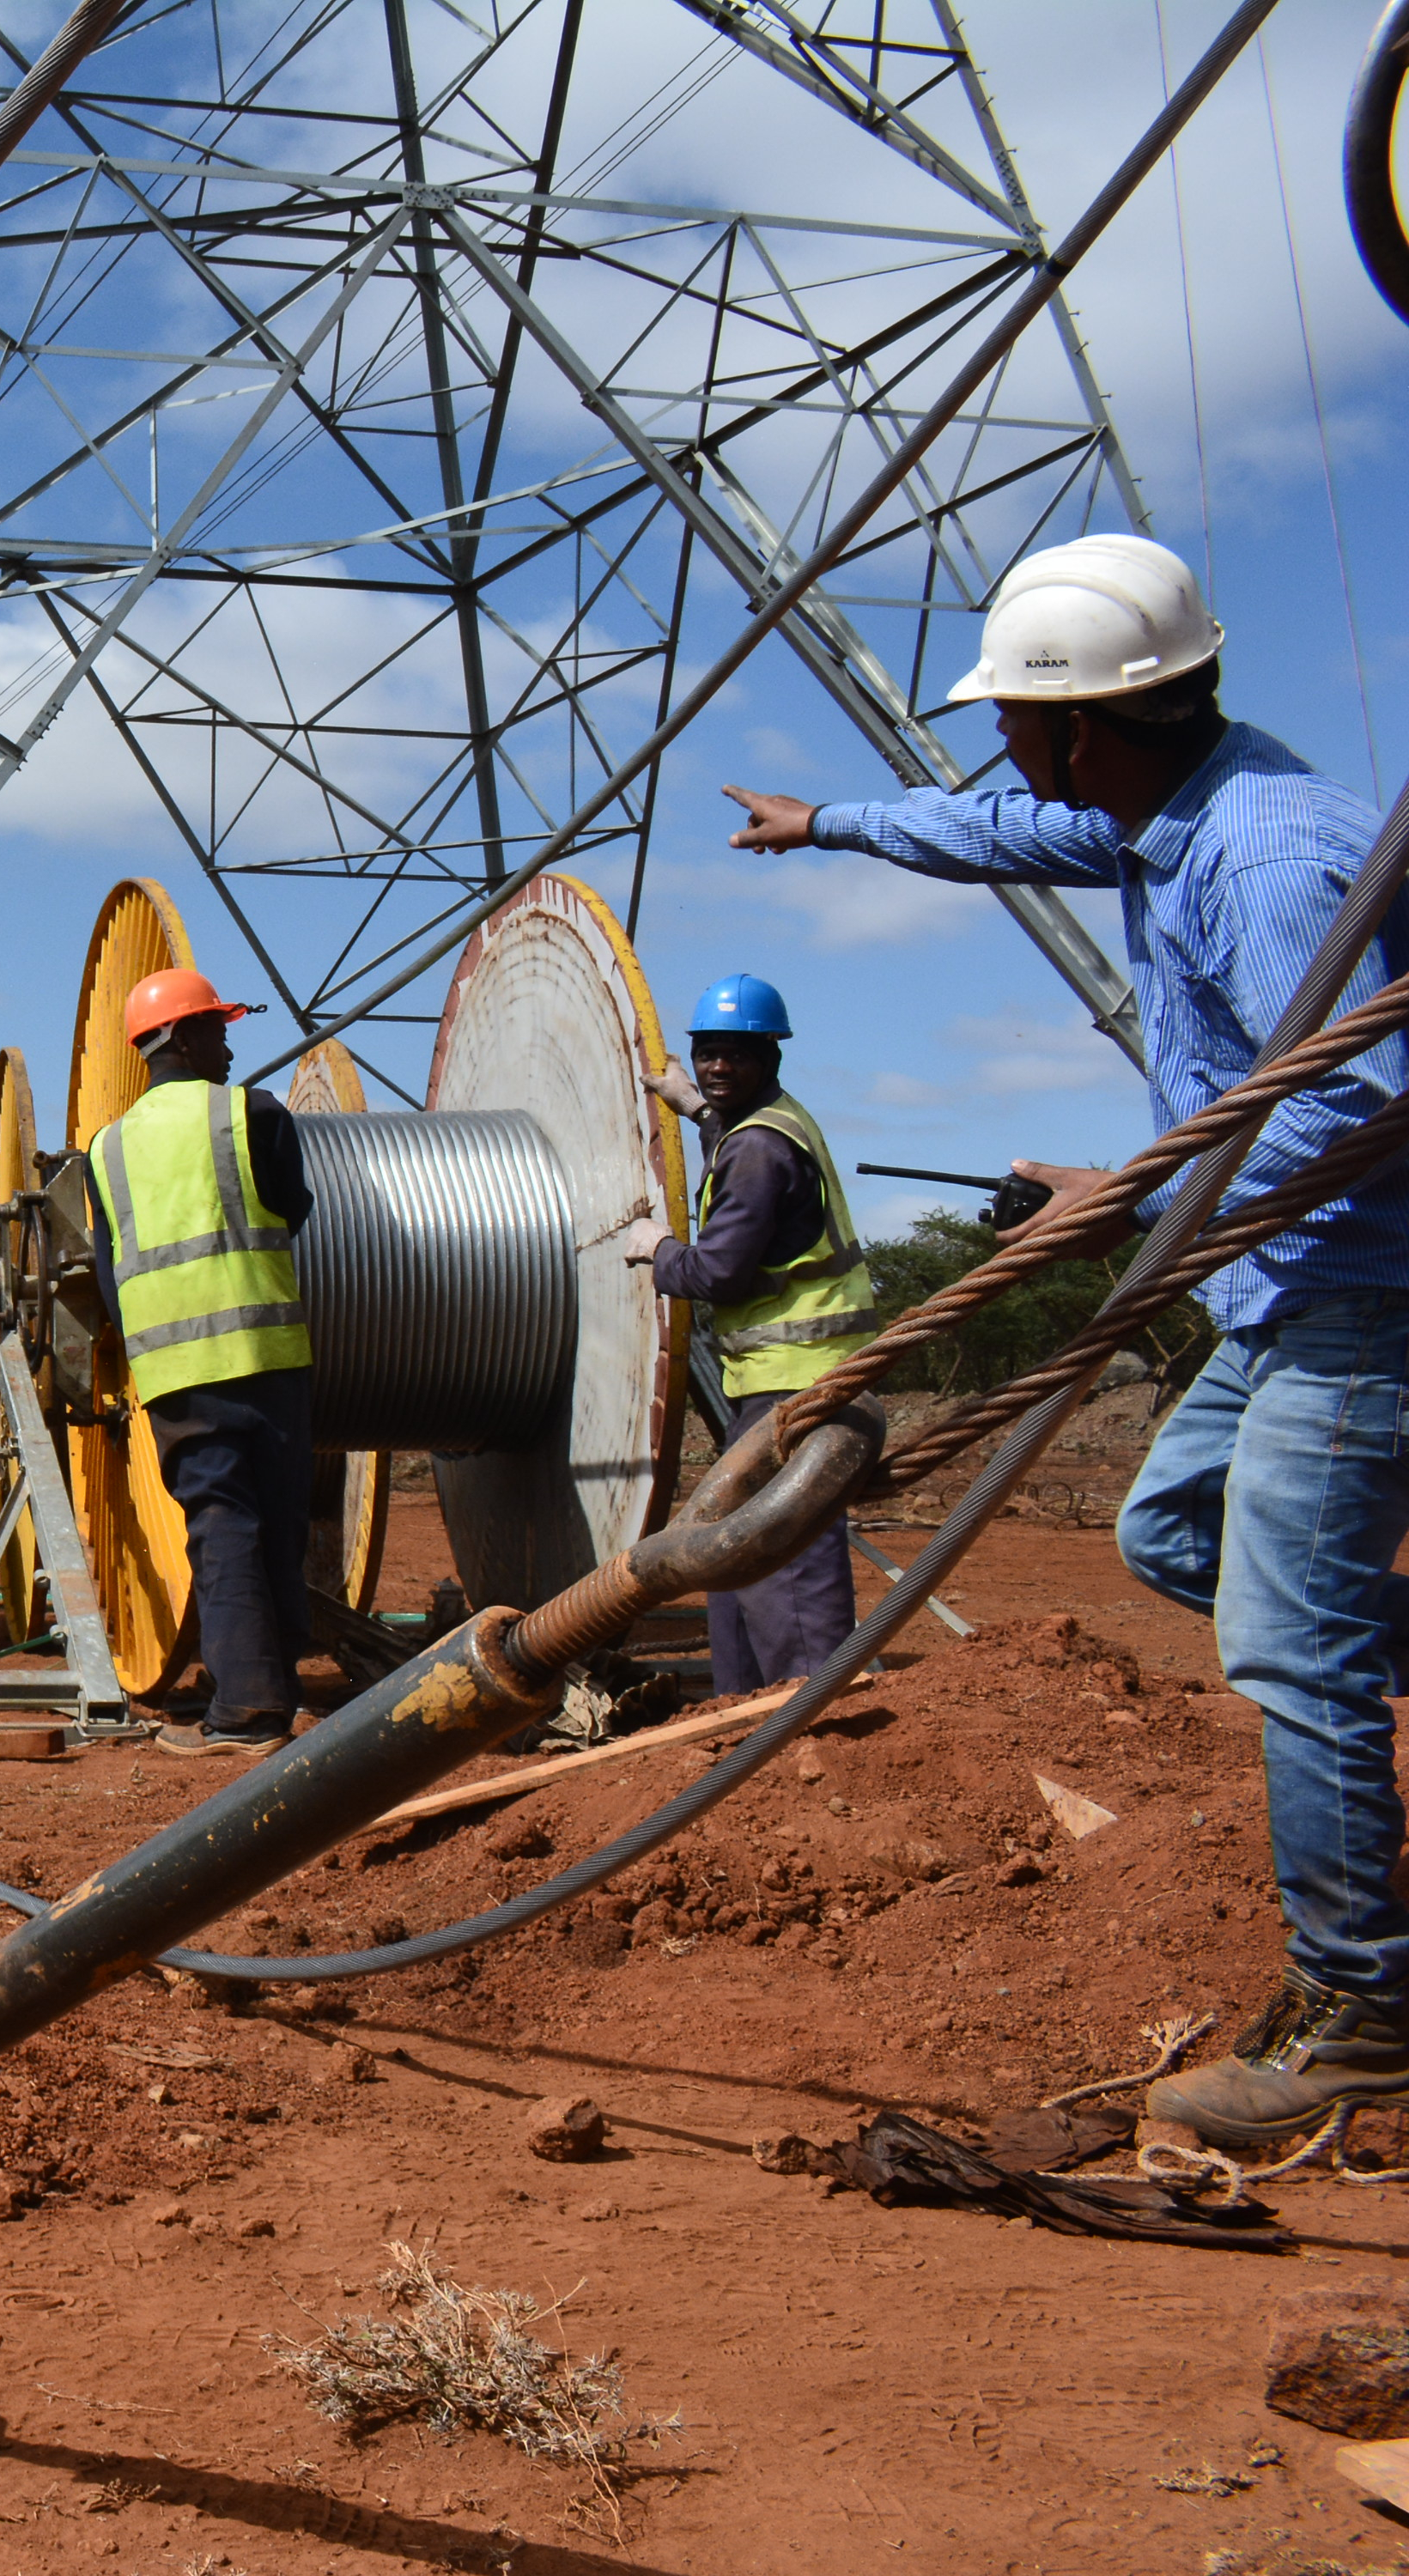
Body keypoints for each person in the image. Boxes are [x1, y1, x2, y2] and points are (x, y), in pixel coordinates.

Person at [722, 531, 1409, 2151]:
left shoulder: (1261, 865)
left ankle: (1363, 2011)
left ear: (1078, 728)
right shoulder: (1166, 808)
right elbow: (993, 830)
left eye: (1014, 721)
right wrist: (829, 825)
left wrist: (1134, 1188)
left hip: (1357, 1292)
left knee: (1294, 1644)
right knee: (1174, 1532)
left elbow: (1374, 1112)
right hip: (1283, 1294)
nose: (1004, 752)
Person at [613, 975, 878, 1695]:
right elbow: (730, 1128)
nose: (719, 1068)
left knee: (780, 1553)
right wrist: (692, 1107)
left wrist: (656, 1249)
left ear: (770, 1056)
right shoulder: (769, 1121)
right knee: (729, 1550)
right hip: (777, 1379)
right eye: (707, 1054)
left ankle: (810, 1710)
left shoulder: (759, 1149)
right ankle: (740, 1705)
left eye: (737, 1055)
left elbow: (721, 1272)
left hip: (798, 1379)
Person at [81, 967, 313, 1755]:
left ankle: (251, 1706)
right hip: (270, 1354)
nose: (228, 1041)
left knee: (222, 1523)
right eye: (217, 1028)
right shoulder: (254, 1113)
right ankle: (265, 1696)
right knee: (278, 1521)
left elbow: (110, 1273)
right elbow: (295, 1210)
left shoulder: (105, 1152)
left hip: (179, 1372)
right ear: (182, 1037)